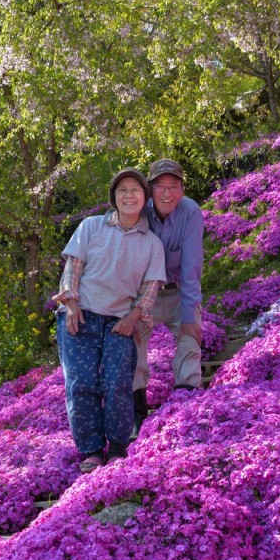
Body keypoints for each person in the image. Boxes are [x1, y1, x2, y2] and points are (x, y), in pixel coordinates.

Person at [56, 168, 165, 473]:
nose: (128, 196)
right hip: (80, 315)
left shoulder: (151, 243)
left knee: (117, 382)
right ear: (114, 197)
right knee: (81, 383)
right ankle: (91, 450)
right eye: (122, 191)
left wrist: (133, 318)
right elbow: (73, 269)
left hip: (120, 322)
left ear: (144, 199)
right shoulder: (91, 227)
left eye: (135, 190)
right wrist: (72, 304)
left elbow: (149, 289)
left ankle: (117, 447)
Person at [132, 159, 204, 436]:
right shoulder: (139, 212)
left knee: (190, 338)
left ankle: (186, 406)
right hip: (144, 295)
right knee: (133, 348)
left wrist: (189, 318)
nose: (167, 193)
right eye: (160, 186)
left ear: (183, 189)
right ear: (150, 190)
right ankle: (137, 415)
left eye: (173, 186)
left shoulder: (190, 213)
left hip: (177, 291)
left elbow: (191, 270)